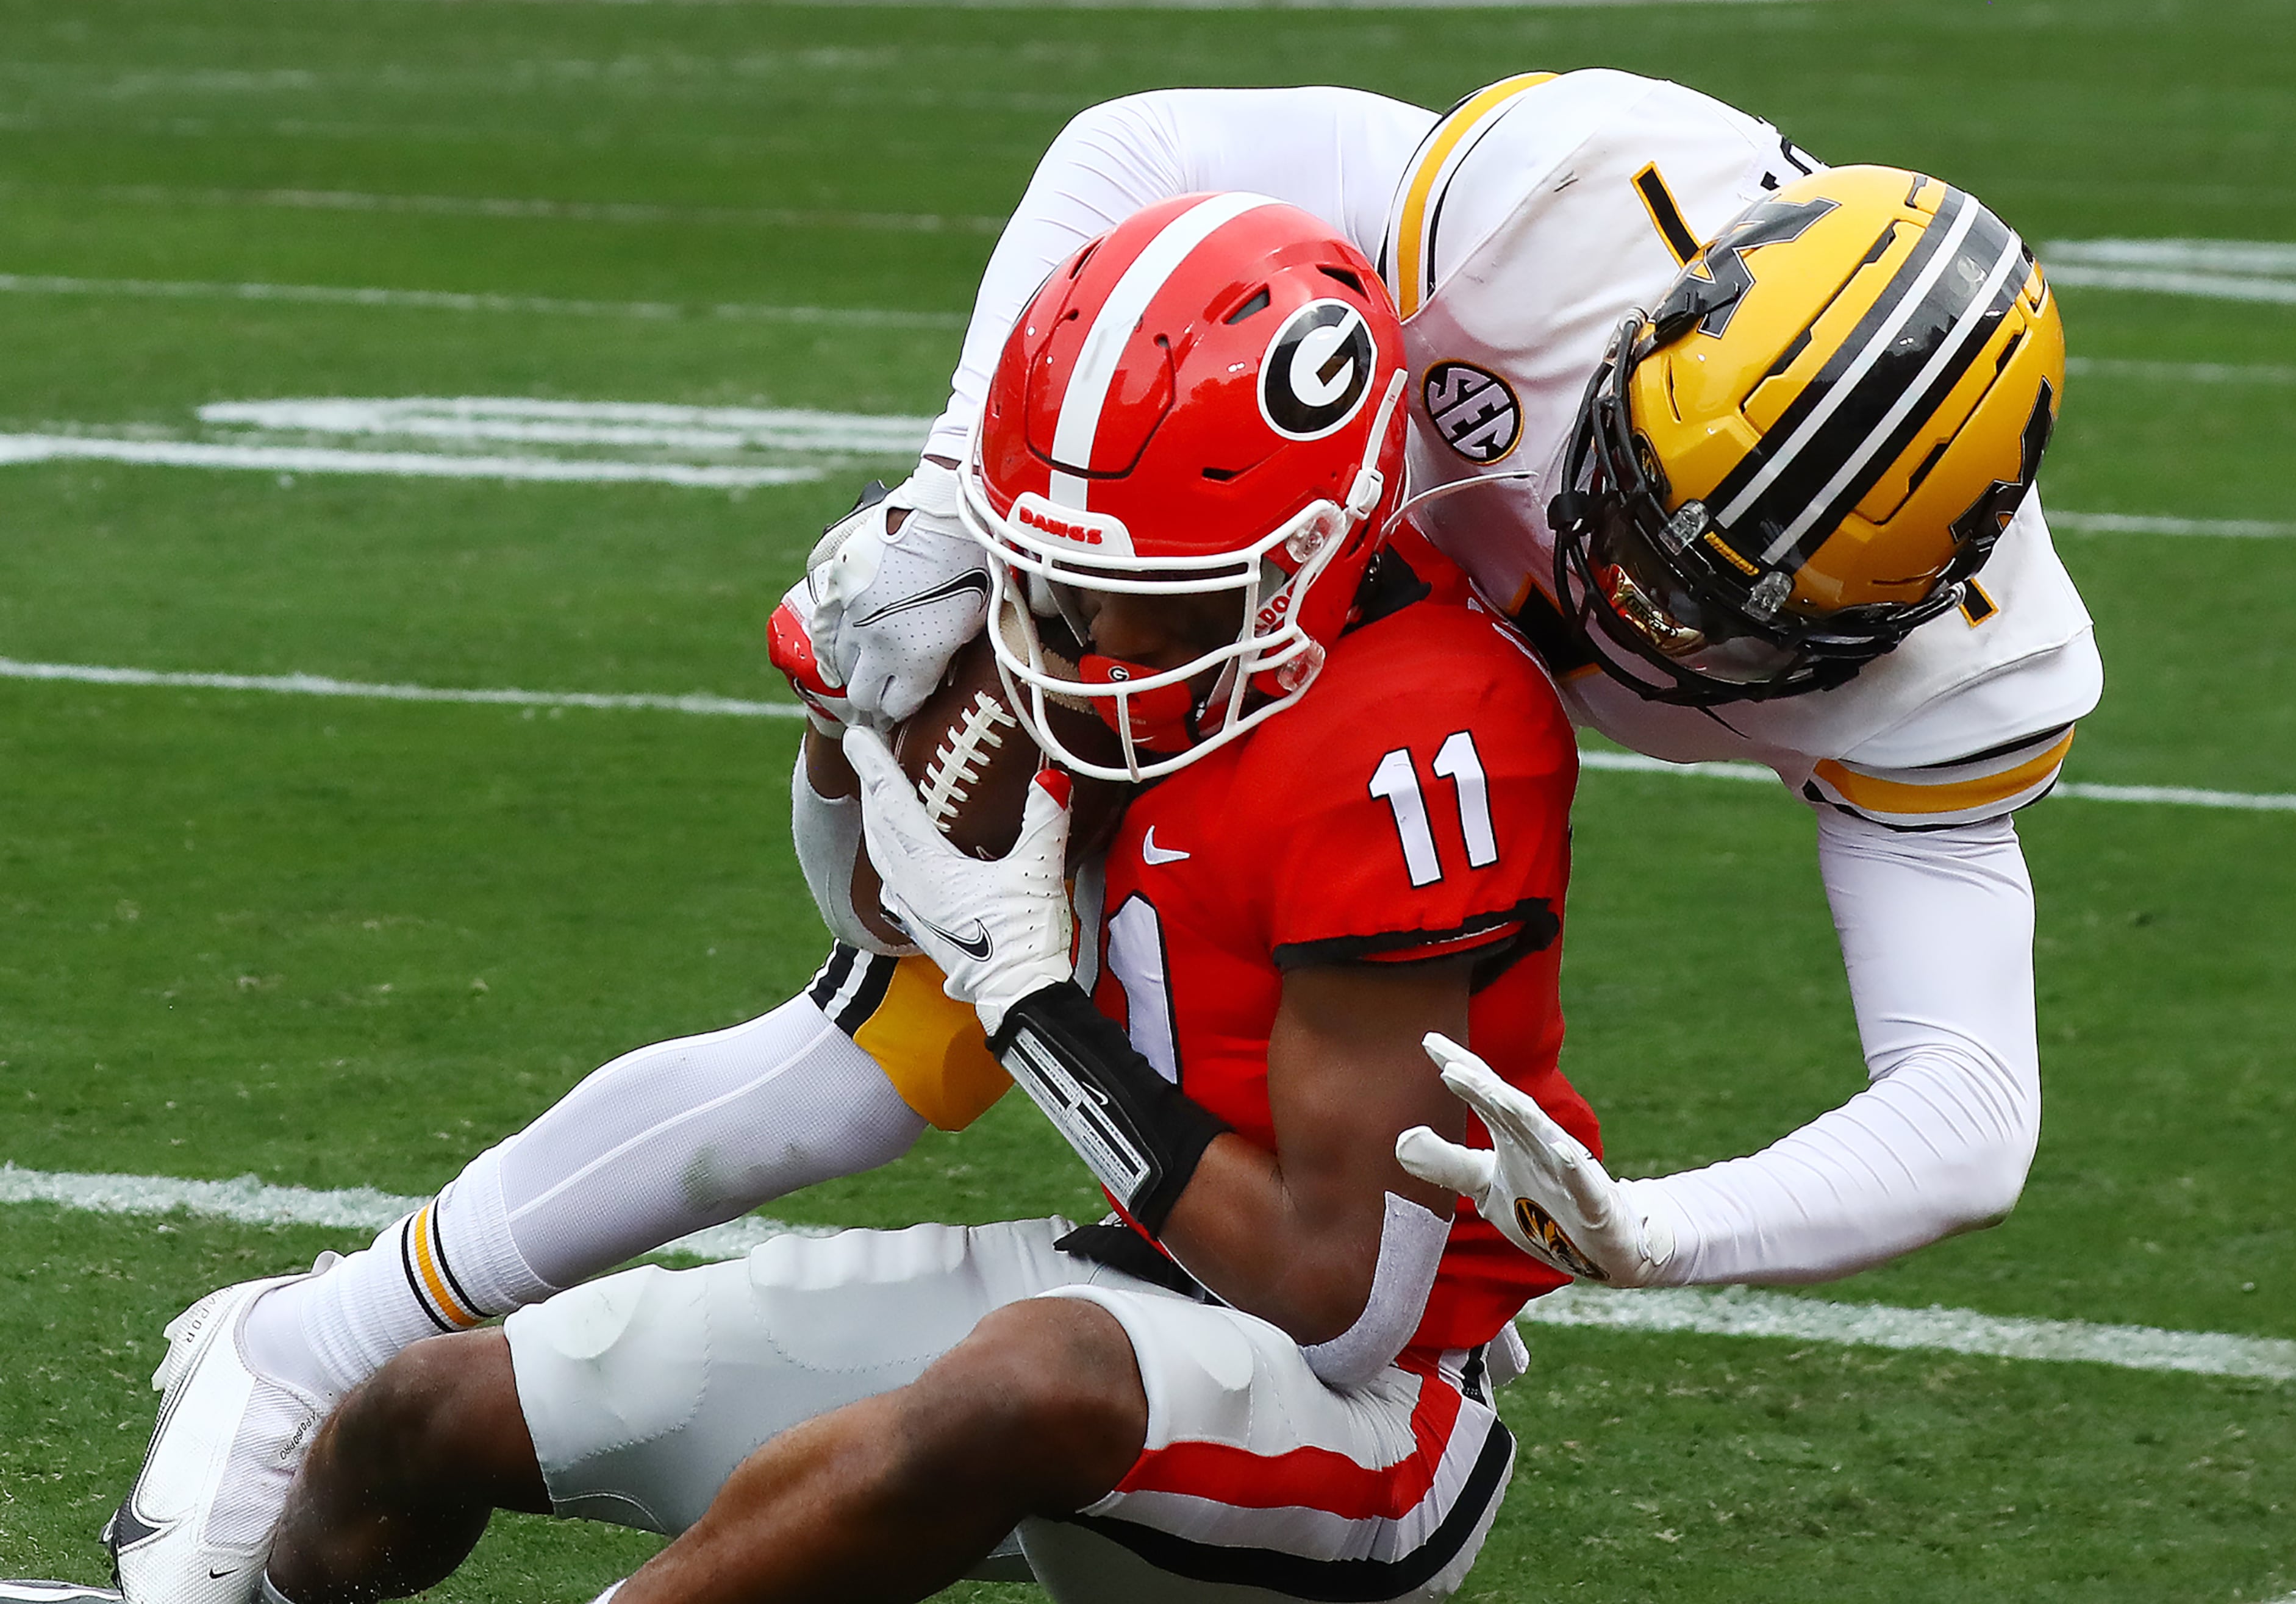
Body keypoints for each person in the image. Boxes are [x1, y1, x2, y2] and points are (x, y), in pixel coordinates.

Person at [107, 68, 2087, 1604]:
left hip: (1362, 817)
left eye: (1730, 599)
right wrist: (969, 495)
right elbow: (1148, 154)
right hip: (1268, 560)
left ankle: (347, 1335)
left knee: (1070, 1052)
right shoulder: (1567, 209)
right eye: (1639, 507)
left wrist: (1667, 1229)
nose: (1638, 606)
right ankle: (320, 1340)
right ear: (1640, 346)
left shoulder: (1942, 686)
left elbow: (1968, 1107)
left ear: (1917, 606)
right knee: (899, 1006)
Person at [252, 194, 1590, 1604]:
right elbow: (877, 917)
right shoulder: (1121, 622)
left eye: (1178, 602)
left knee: (1027, 1373)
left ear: (1318, 545)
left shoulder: (1424, 728)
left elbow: (1338, 1300)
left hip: (1376, 1424)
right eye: (1078, 585)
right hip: (1128, 1304)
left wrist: (1032, 1010)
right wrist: (841, 736)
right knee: (422, 1412)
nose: (1112, 648)